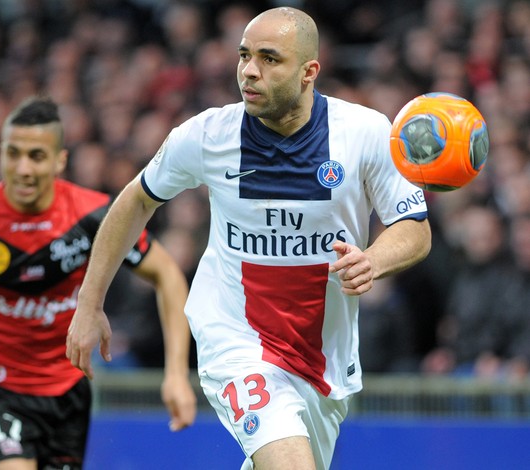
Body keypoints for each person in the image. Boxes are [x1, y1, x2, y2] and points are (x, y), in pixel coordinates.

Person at [66, 7, 431, 470]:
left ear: (308, 72)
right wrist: (89, 302)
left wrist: (373, 260)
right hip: (236, 339)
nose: (249, 71)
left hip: (322, 357)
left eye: (269, 58)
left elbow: (414, 228)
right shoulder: (207, 135)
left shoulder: (365, 133)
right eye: (244, 56)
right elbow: (135, 200)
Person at [0, 96, 196, 470]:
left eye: (36, 156)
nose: (23, 168)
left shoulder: (95, 216)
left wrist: (175, 374)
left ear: (60, 160)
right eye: (13, 154)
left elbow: (167, 275)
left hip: (66, 393)